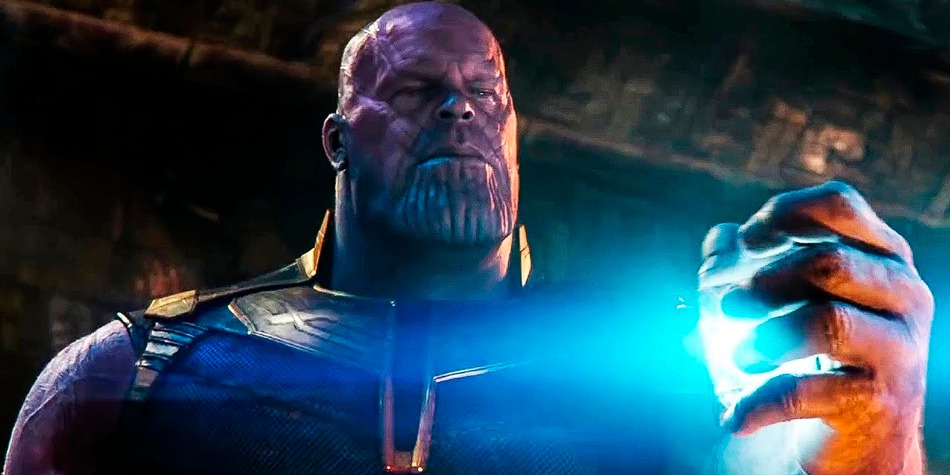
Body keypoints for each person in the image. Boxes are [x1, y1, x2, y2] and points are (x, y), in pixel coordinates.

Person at [3, 2, 932, 474]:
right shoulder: (136, 372)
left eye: (488, 94)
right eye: (415, 90)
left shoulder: (683, 372)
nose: (461, 110)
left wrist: (882, 435)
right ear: (337, 141)